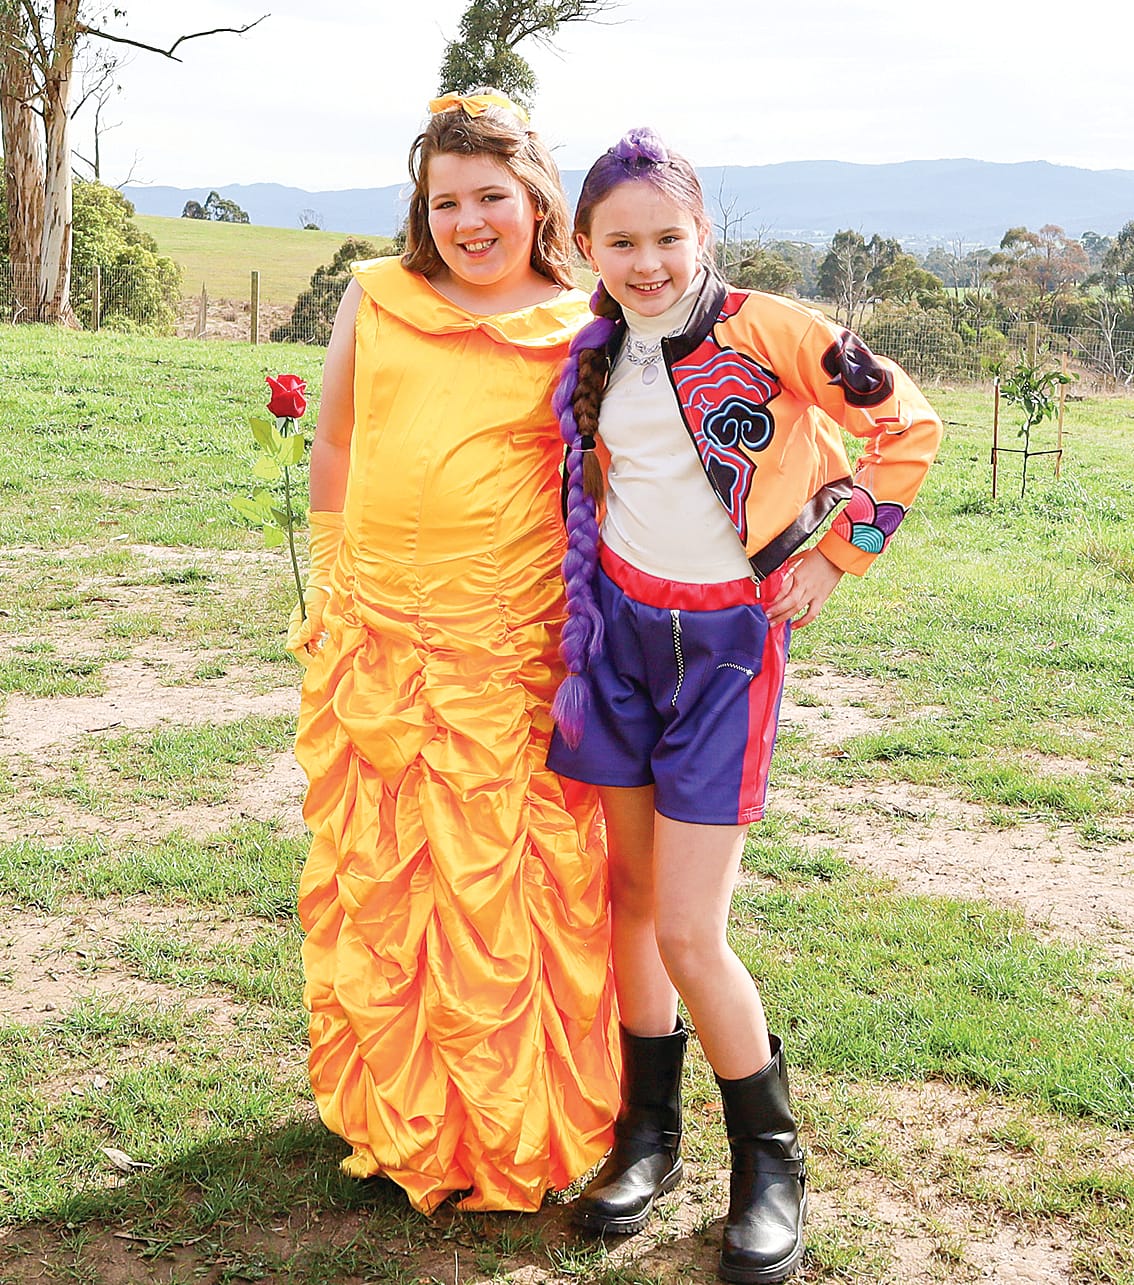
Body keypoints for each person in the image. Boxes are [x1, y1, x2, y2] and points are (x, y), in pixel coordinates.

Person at [547, 128, 943, 1283]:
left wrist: (838, 557)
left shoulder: (770, 328)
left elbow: (908, 425)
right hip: (617, 637)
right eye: (621, 241)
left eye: (669, 236)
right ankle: (648, 1139)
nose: (649, 260)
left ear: (702, 233)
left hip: (727, 647)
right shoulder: (593, 350)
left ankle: (770, 1163)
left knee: (687, 928)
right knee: (627, 902)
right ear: (586, 247)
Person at [286, 92, 621, 1215]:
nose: (470, 221)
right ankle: (394, 1108)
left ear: (535, 201)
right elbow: (336, 436)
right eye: (447, 201)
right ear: (422, 209)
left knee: (504, 890)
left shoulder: (585, 324)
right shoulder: (376, 296)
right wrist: (335, 587)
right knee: (387, 881)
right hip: (378, 637)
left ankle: (514, 1122)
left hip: (507, 650)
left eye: (492, 197)